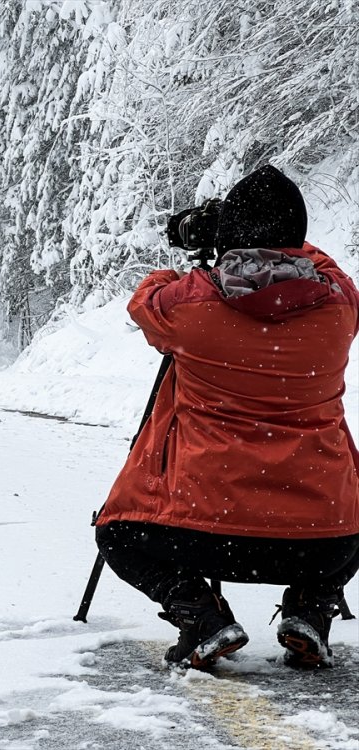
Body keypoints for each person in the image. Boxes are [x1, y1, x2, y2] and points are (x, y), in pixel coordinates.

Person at [95, 165, 359, 669]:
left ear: (226, 236)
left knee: (115, 531)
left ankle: (199, 614)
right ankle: (311, 606)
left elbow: (145, 299)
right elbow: (333, 272)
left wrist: (204, 256)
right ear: (300, 239)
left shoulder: (187, 307)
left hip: (203, 535)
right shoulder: (340, 308)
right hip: (321, 543)